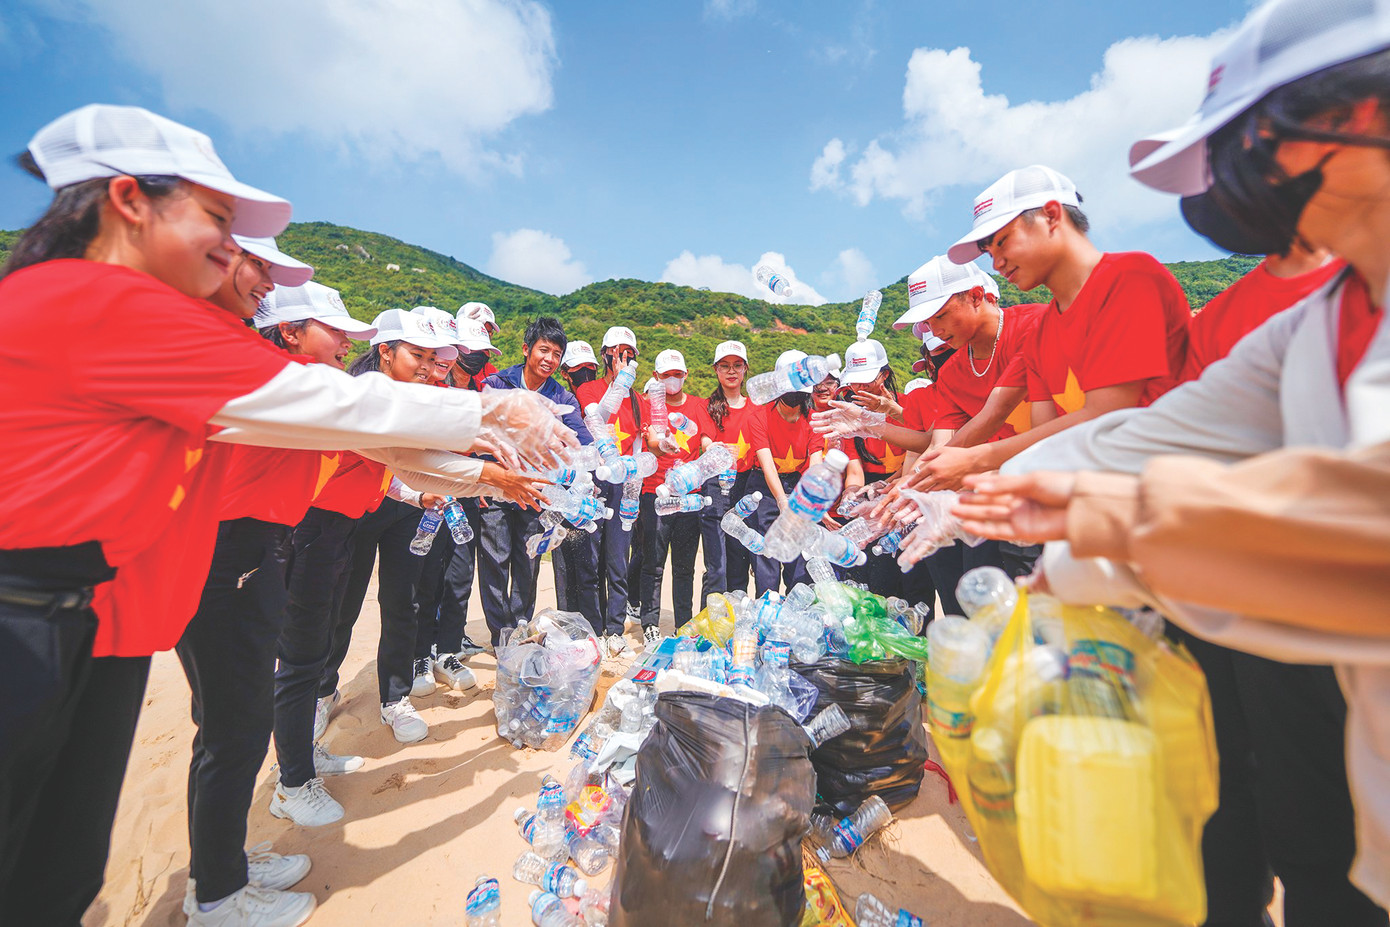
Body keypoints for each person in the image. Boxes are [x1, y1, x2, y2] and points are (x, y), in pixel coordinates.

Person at [0, 104, 574, 927]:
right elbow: (321, 404)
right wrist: (492, 416)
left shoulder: (165, 316)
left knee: (60, 869)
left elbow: (357, 425)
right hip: (33, 622)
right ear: (128, 201)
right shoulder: (97, 299)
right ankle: (221, 887)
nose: (241, 255)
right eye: (218, 222)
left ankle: (223, 869)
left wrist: (487, 465)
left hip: (98, 617)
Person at [958, 1, 1390, 917]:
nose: (1231, 186)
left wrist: (1106, 517)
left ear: (1357, 113)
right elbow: (1155, 433)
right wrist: (1021, 496)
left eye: (1250, 146)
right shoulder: (1314, 331)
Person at [175, 250, 372, 923]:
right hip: (228, 555)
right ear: (289, 332)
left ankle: (219, 860)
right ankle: (218, 899)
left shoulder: (293, 383)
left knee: (229, 723)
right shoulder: (280, 382)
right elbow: (381, 415)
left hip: (249, 550)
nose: (347, 341)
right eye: (333, 328)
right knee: (234, 728)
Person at [906, 164, 1192, 492]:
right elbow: (1045, 440)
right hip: (1103, 502)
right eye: (989, 253)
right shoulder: (1042, 332)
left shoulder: (1129, 278)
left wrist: (976, 461)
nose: (996, 263)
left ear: (1052, 216)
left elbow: (1106, 415)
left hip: (1172, 491)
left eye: (1002, 242)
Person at [480, 317, 591, 644]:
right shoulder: (499, 384)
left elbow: (582, 440)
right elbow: (476, 429)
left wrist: (603, 457)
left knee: (528, 564)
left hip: (536, 493)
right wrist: (480, 478)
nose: (549, 359)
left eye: (557, 354)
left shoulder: (563, 398)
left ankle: (520, 627)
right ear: (527, 349)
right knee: (495, 566)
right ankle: (502, 637)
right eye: (544, 350)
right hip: (496, 489)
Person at [411, 316, 501, 696]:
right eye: (471, 350)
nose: (476, 357)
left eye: (483, 352)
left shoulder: (480, 388)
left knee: (460, 575)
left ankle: (448, 651)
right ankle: (419, 655)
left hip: (464, 494)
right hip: (430, 492)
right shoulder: (432, 384)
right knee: (427, 575)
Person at [571, 328, 643, 654]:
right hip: (594, 479)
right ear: (605, 356)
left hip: (623, 483)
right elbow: (595, 419)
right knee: (590, 557)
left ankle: (615, 628)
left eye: (630, 353)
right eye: (617, 352)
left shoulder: (639, 400)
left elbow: (642, 443)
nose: (624, 358)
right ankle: (593, 627)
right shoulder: (589, 388)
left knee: (617, 558)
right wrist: (618, 383)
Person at [638, 350, 709, 646]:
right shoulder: (647, 406)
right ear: (656, 377)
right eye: (666, 375)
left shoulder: (699, 406)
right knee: (652, 564)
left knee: (684, 566)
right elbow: (651, 440)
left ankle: (684, 623)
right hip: (653, 492)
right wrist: (660, 445)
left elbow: (706, 441)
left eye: (677, 374)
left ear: (685, 375)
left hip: (688, 497)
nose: (672, 380)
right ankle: (650, 623)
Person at [745, 351, 821, 597]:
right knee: (766, 556)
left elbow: (816, 466)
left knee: (798, 559)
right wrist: (781, 500)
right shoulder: (760, 416)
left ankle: (796, 616)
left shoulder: (813, 419)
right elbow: (767, 465)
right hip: (765, 489)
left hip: (799, 485)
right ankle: (767, 610)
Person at [555, 340, 604, 635]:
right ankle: (566, 626)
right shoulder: (557, 400)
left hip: (590, 491)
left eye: (590, 369)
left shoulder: (599, 403)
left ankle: (592, 629)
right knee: (563, 564)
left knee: (589, 564)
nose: (584, 374)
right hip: (560, 492)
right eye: (578, 369)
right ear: (565, 372)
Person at [704, 341, 759, 597]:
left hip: (746, 486)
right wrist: (715, 448)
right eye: (724, 366)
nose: (731, 371)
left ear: (745, 368)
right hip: (715, 487)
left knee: (739, 562)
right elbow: (704, 442)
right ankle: (709, 624)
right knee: (717, 567)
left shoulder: (757, 409)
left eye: (737, 365)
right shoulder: (707, 407)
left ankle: (737, 623)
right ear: (716, 369)